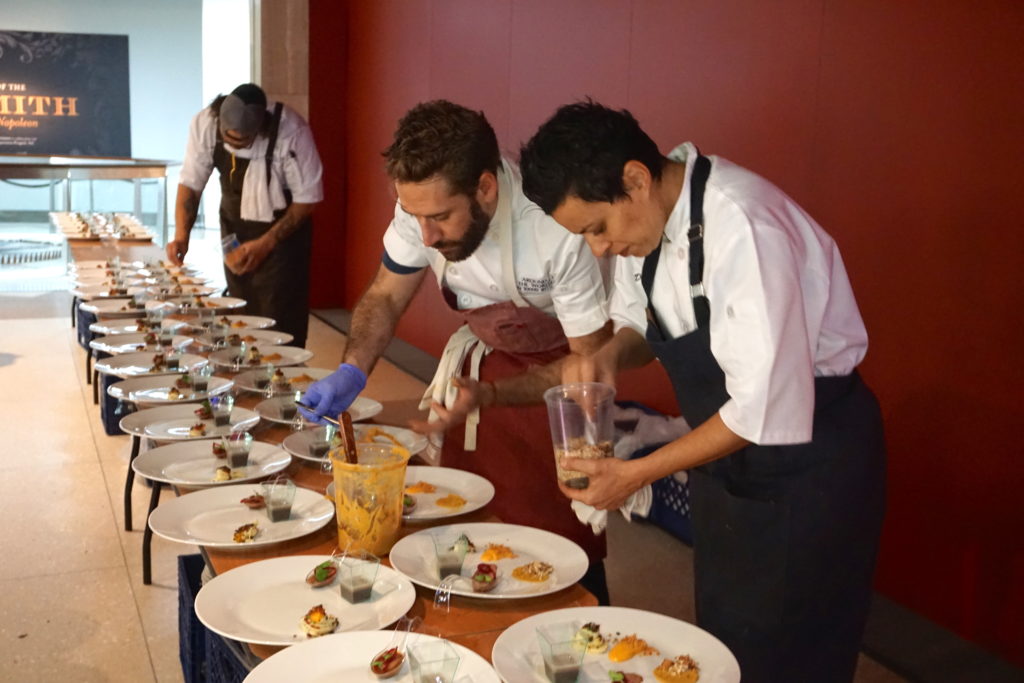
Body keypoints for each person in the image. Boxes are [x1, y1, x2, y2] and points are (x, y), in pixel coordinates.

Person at [519, 101, 886, 682]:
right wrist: (607, 356)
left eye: (596, 228)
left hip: (809, 467)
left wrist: (637, 474)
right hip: (730, 466)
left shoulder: (745, 226)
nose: (598, 248)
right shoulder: (654, 222)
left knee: (791, 653)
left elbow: (759, 410)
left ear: (635, 180)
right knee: (726, 642)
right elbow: (644, 322)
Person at [300, 100, 613, 601]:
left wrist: (492, 393)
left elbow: (590, 368)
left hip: (560, 397)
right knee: (471, 536)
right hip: (478, 383)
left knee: (559, 548)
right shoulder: (419, 209)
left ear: (486, 188)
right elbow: (385, 294)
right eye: (414, 216)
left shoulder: (553, 227)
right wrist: (353, 370)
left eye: (441, 217)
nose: (425, 235)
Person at [169, 83, 323, 347]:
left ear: (261, 128)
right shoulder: (205, 123)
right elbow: (191, 185)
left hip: (282, 238)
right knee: (239, 312)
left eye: (243, 142)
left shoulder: (291, 131)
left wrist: (266, 244)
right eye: (229, 140)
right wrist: (181, 235)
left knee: (280, 320)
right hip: (235, 227)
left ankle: (281, 378)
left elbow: (307, 200)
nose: (234, 147)